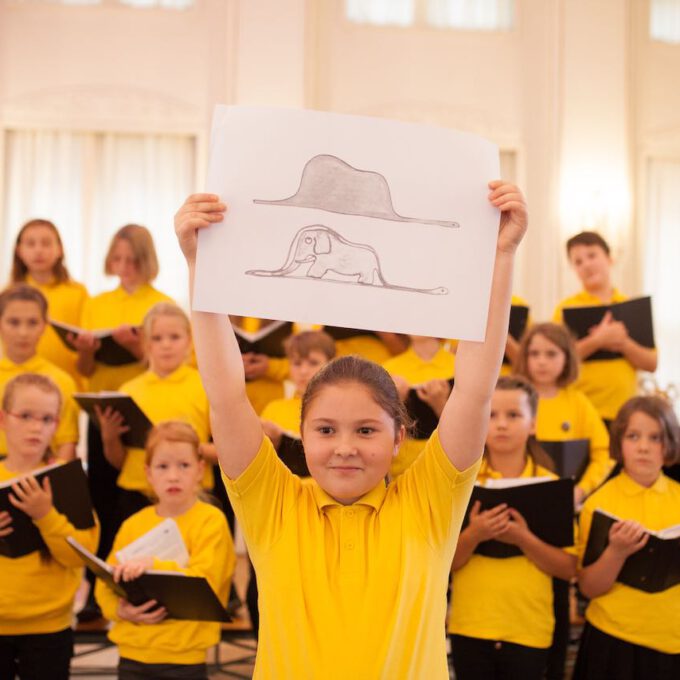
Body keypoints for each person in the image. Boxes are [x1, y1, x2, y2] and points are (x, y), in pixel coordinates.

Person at [173, 180, 528, 678]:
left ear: (399, 437)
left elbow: (474, 389)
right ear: (301, 431)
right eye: (324, 430)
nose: (344, 448)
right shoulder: (272, 502)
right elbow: (227, 393)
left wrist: (500, 257)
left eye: (365, 431)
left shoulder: (430, 500)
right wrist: (199, 267)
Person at [71, 223, 172, 621]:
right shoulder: (96, 303)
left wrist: (136, 347)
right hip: (101, 411)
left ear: (147, 260)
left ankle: (145, 581)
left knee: (139, 500)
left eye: (132, 259)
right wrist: (83, 350)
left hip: (147, 409)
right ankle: (99, 590)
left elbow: (167, 360)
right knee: (99, 502)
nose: (124, 266)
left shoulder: (161, 303)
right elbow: (84, 368)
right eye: (118, 258)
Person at [447, 376, 577, 680]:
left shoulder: (549, 485)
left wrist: (523, 538)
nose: (501, 424)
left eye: (513, 415)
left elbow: (568, 568)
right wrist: (474, 534)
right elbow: (444, 564)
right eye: (491, 415)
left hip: (530, 628)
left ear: (533, 424)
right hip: (470, 625)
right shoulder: (460, 483)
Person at [95, 421, 235, 680]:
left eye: (184, 465)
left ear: (200, 470)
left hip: (184, 658)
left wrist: (153, 565)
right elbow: (105, 583)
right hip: (132, 655)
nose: (173, 476)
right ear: (148, 473)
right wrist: (119, 610)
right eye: (162, 466)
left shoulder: (210, 521)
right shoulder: (132, 524)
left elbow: (207, 583)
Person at [0, 374, 100, 680]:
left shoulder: (68, 482)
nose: (35, 427)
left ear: (56, 425)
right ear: (3, 419)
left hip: (50, 626)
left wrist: (45, 515)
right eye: (25, 416)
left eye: (46, 419)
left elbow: (82, 554)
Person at [574, 395, 680, 679]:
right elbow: (589, 588)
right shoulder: (599, 503)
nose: (644, 446)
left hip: (672, 640)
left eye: (655, 437)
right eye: (633, 436)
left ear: (670, 445)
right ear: (619, 442)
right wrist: (616, 552)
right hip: (612, 639)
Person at [96, 302, 217, 522]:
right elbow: (120, 460)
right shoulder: (129, 391)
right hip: (137, 494)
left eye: (174, 337)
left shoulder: (204, 385)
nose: (166, 345)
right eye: (157, 338)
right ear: (146, 344)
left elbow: (224, 452)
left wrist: (182, 449)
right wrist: (109, 437)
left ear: (189, 341)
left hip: (190, 495)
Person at [552, 231, 657, 424]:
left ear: (609, 258)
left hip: (625, 412)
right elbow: (556, 362)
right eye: (578, 262)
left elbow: (651, 363)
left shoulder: (633, 308)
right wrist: (598, 340)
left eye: (592, 255)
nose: (586, 265)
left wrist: (622, 343)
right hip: (580, 412)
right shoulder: (565, 309)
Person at [514, 322, 612, 505]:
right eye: (534, 354)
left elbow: (602, 453)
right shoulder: (514, 400)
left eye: (551, 354)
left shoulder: (578, 403)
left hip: (566, 500)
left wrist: (581, 490)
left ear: (567, 358)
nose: (542, 361)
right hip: (519, 495)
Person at [0, 285, 79, 460]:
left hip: (41, 476)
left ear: (44, 326)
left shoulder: (61, 381)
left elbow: (66, 445)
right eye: (13, 322)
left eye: (32, 323)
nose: (23, 332)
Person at [8, 218, 89, 387]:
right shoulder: (8, 294)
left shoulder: (77, 293)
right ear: (19, 251)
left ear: (59, 249)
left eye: (46, 243)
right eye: (31, 244)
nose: (38, 250)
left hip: (66, 386)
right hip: (16, 385)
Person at [383, 334, 455, 477]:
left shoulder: (460, 367)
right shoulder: (389, 369)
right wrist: (396, 403)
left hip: (447, 465)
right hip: (402, 468)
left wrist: (441, 404)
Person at [260, 329, 336, 446]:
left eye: (313, 363)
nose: (303, 371)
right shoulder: (275, 409)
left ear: (331, 365)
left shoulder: (343, 409)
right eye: (297, 363)